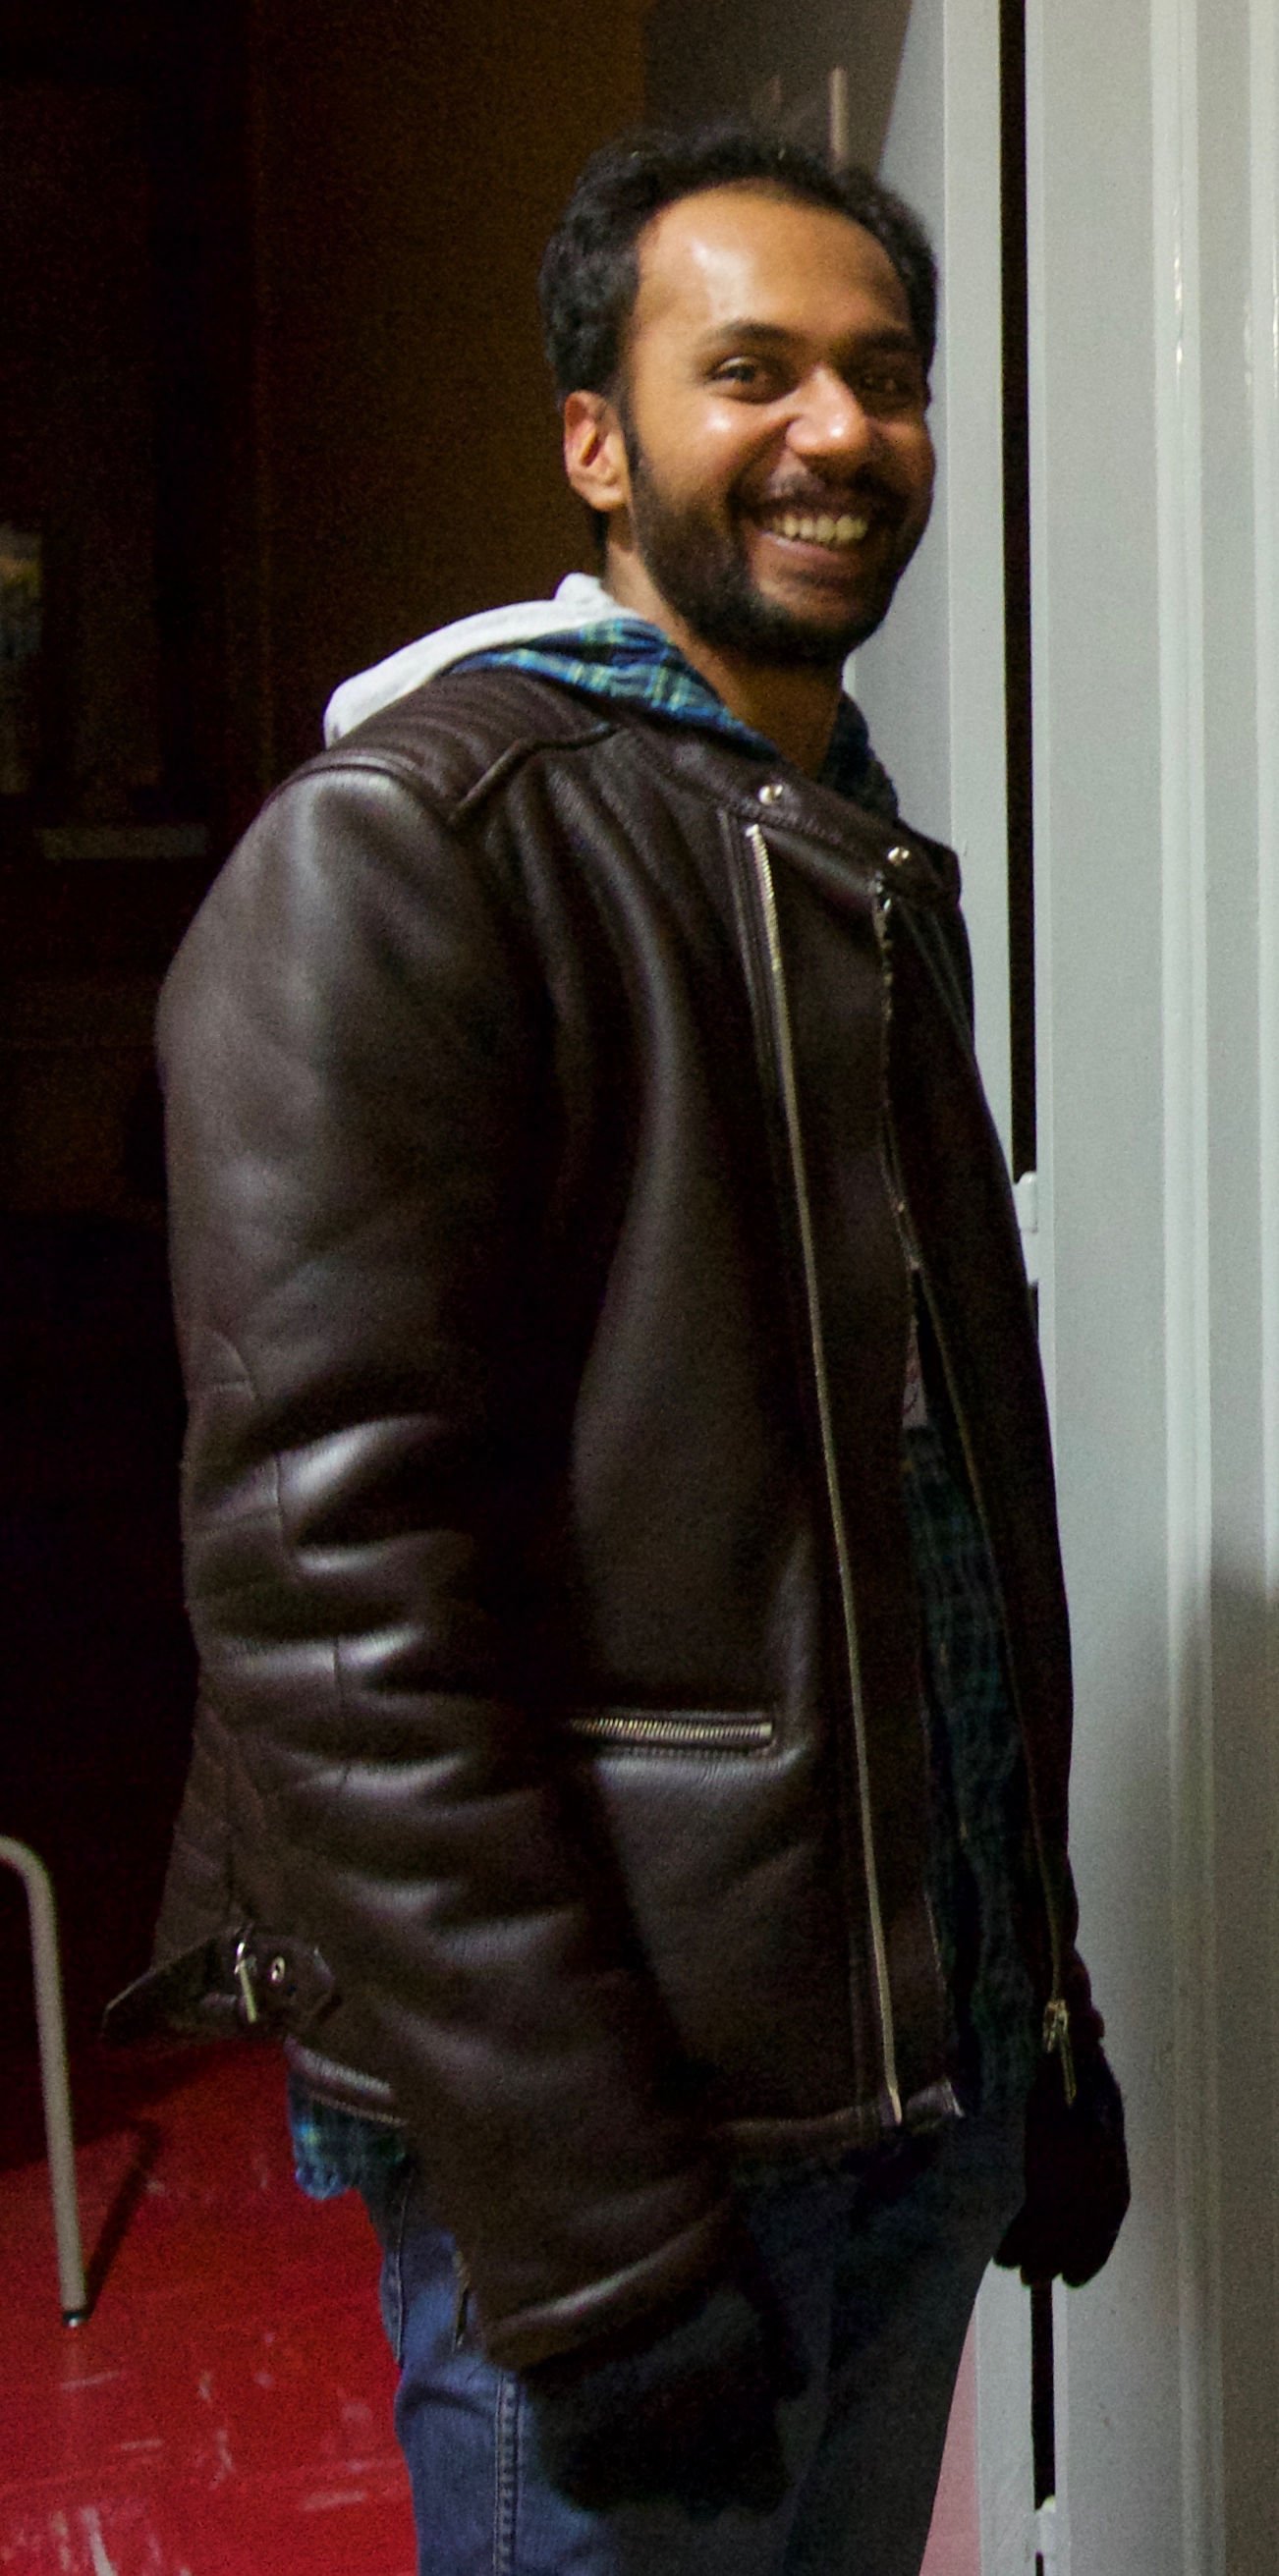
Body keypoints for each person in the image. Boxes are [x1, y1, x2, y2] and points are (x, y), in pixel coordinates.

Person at [114, 123, 1129, 2576]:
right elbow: (337, 1618)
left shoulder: (842, 853)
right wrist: (591, 2233)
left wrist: (1041, 2011)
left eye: (885, 376)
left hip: (910, 2104)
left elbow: (921, 1514)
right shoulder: (419, 848)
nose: (838, 430)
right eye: (750, 370)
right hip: (633, 2167)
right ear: (597, 439)